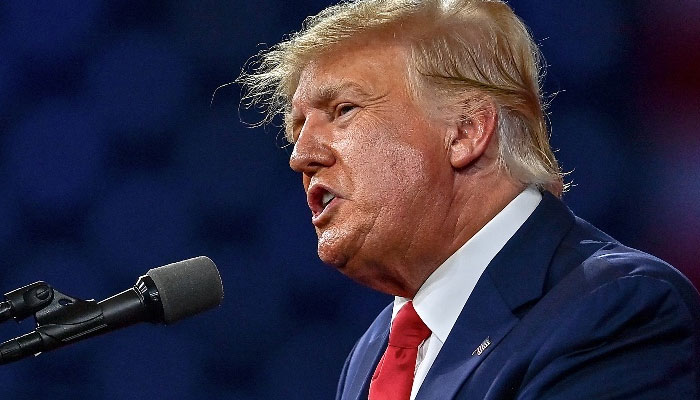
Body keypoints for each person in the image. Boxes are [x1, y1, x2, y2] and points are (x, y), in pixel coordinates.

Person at [238, 0, 700, 398]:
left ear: (466, 131)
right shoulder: (375, 350)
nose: (301, 156)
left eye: (343, 110)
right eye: (297, 129)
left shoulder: (616, 309)